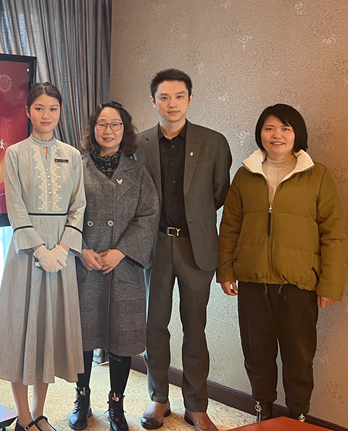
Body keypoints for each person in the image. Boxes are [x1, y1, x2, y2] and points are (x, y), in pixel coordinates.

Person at [217, 104, 345, 423]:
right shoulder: (245, 174)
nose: (277, 135)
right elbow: (229, 226)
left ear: (296, 134)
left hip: (299, 285)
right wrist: (225, 269)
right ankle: (263, 412)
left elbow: (334, 233)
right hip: (253, 283)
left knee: (299, 357)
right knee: (256, 354)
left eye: (285, 128)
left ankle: (297, 416)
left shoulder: (317, 174)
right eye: (270, 128)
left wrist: (330, 285)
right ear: (260, 133)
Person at [134, 69, 231, 431]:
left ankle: (196, 405)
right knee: (154, 327)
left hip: (196, 247)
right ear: (153, 101)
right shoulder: (139, 144)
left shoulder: (214, 142)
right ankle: (158, 398)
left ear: (190, 98)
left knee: (195, 328)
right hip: (155, 245)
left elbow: (219, 193)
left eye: (178, 96)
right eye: (164, 97)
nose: (171, 103)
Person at [0, 82, 86, 431]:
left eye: (53, 108)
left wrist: (62, 248)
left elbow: (79, 205)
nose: (46, 115)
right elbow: (15, 207)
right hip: (25, 255)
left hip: (61, 257)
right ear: (28, 112)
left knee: (48, 334)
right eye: (40, 108)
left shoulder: (73, 155)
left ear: (60, 112)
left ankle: (39, 412)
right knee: (21, 332)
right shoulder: (14, 154)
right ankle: (23, 417)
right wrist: (39, 249)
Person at [69, 102, 160, 431]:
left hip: (124, 267)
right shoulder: (76, 169)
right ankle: (82, 399)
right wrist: (80, 248)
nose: (108, 130)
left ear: (125, 130)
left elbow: (148, 216)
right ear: (92, 129)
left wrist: (121, 251)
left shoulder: (137, 172)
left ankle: (116, 404)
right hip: (86, 265)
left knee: (122, 337)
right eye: (102, 124)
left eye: (116, 124)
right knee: (83, 336)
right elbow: (63, 214)